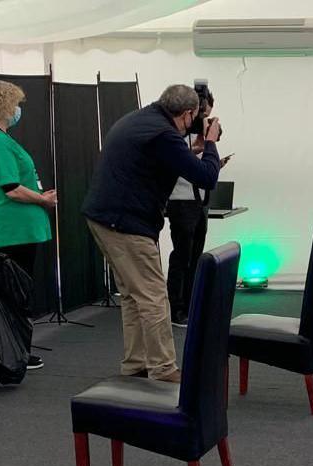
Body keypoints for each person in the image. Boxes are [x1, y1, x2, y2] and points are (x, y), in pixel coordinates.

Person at [83, 84, 222, 383]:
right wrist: (210, 143)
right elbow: (208, 177)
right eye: (196, 116)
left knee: (134, 295)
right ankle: (163, 368)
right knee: (154, 296)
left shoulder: (143, 119)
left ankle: (136, 363)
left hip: (103, 217)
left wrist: (193, 150)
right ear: (187, 114)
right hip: (126, 222)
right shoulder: (163, 133)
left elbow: (162, 157)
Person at [0, 80, 57, 369]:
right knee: (16, 291)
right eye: (16, 104)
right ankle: (16, 352)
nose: (18, 110)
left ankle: (16, 350)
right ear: (4, 106)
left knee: (16, 289)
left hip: (14, 225)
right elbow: (11, 187)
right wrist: (42, 200)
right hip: (14, 225)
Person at [166, 91, 230, 327]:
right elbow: (178, 163)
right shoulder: (174, 132)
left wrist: (214, 162)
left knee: (195, 255)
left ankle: (192, 303)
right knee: (182, 256)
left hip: (200, 200)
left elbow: (199, 168)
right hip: (181, 200)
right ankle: (176, 309)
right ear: (190, 112)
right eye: (203, 114)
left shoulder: (196, 136)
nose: (205, 120)